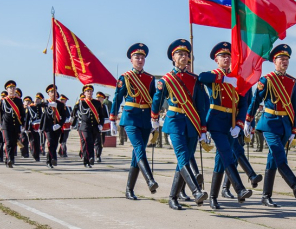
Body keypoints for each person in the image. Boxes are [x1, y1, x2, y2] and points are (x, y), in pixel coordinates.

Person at [245, 44, 296, 207]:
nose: (284, 62)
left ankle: (266, 196)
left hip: (285, 125)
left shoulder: (292, 81)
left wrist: (294, 128)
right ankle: (294, 184)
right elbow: (255, 101)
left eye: (287, 59)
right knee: (279, 154)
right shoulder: (266, 80)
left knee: (273, 160)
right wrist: (248, 119)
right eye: (281, 59)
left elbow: (293, 105)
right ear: (274, 61)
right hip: (269, 123)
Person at [151, 39, 208, 210]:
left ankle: (172, 197)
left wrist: (203, 128)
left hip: (192, 122)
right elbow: (157, 100)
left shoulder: (195, 79)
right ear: (173, 58)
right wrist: (154, 118)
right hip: (174, 121)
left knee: (184, 160)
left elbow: (201, 105)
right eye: (180, 54)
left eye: (186, 54)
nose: (184, 56)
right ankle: (196, 191)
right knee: (183, 157)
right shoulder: (166, 80)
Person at [198, 42, 254, 209]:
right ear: (216, 60)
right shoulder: (213, 76)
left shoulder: (237, 78)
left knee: (221, 161)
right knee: (227, 153)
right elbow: (201, 77)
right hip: (216, 121)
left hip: (232, 122)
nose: (226, 58)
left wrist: (239, 124)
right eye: (223, 56)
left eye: (229, 56)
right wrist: (223, 79)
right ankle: (240, 189)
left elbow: (243, 104)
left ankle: (213, 197)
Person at [110, 43, 160, 200]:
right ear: (131, 60)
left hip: (145, 119)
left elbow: (154, 100)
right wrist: (112, 118)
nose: (140, 60)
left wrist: (155, 117)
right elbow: (117, 98)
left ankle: (129, 190)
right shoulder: (125, 77)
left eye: (142, 57)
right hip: (130, 118)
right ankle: (150, 180)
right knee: (139, 148)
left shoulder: (150, 78)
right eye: (137, 57)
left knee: (137, 155)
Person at [73, 84, 105, 169]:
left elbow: (101, 116)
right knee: (87, 141)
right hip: (85, 126)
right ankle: (91, 157)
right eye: (87, 91)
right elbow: (74, 113)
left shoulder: (97, 103)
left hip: (94, 126)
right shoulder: (81, 102)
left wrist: (101, 124)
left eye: (91, 91)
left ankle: (86, 160)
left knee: (90, 143)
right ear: (84, 93)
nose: (89, 93)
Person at [0, 80, 25, 168]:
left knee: (13, 143)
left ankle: (10, 158)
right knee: (8, 142)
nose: (12, 89)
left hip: (15, 125)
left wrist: (23, 124)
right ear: (7, 90)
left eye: (13, 88)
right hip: (6, 125)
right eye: (10, 88)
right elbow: (0, 113)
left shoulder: (19, 101)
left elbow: (22, 113)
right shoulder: (3, 101)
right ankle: (9, 159)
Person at [38, 84, 67, 168]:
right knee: (50, 142)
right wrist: (49, 105)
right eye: (51, 92)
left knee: (54, 144)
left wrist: (59, 125)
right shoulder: (46, 103)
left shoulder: (60, 104)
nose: (53, 93)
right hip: (47, 127)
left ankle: (49, 160)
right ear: (48, 93)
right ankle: (54, 158)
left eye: (55, 91)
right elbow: (37, 105)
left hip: (57, 127)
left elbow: (64, 116)